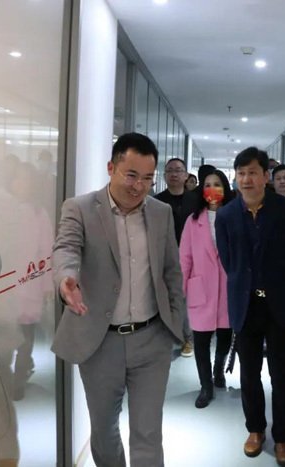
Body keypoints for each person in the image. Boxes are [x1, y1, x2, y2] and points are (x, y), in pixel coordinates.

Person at [52, 132, 185, 467]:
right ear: (111, 168)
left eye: (147, 178)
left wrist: (178, 323)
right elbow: (66, 248)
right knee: (104, 430)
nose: (139, 186)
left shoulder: (161, 213)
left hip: (151, 339)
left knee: (148, 432)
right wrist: (66, 278)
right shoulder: (80, 208)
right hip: (100, 342)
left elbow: (171, 271)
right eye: (131, 175)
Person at [215, 147, 285, 466]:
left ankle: (282, 437)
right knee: (249, 373)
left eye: (252, 172)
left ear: (265, 176)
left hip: (281, 303)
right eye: (241, 173)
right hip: (246, 304)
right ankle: (255, 429)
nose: (246, 179)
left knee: (282, 373)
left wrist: (279, 281)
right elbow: (228, 261)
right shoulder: (227, 215)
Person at [179, 170, 234, 408]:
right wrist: (181, 290)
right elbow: (185, 258)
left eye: (217, 184)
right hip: (200, 288)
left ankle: (218, 369)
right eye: (208, 185)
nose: (212, 189)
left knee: (225, 338)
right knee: (200, 343)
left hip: (228, 290)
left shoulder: (235, 217)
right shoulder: (193, 221)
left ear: (225, 188)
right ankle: (205, 386)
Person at [154, 157, 194, 357]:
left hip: (190, 257)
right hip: (163, 255)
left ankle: (188, 338)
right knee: (164, 297)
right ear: (164, 176)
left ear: (186, 175)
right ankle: (165, 337)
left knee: (186, 298)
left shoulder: (195, 200)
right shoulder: (156, 201)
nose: (174, 174)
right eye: (170, 170)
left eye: (178, 170)